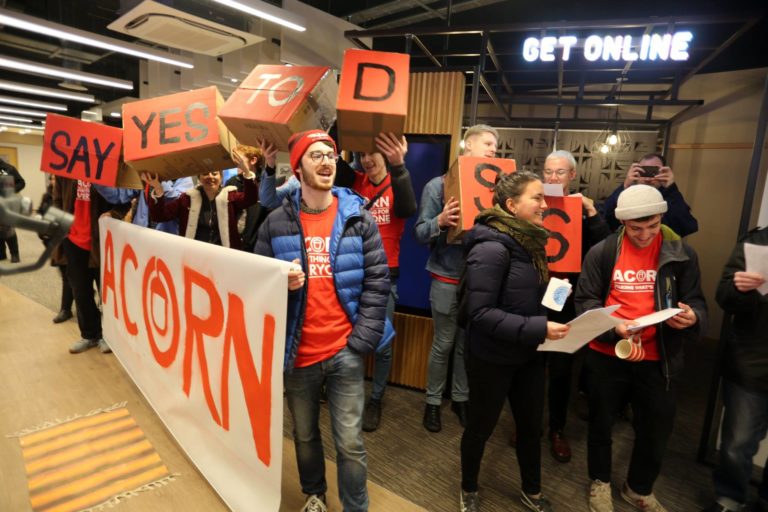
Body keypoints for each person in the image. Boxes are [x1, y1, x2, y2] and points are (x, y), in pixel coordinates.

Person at [254, 129, 394, 512]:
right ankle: (314, 494)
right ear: (297, 167)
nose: (326, 161)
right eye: (315, 156)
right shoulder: (275, 223)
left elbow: (378, 282)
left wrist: (361, 341)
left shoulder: (357, 218)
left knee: (350, 442)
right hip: (298, 354)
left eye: (330, 155)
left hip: (344, 351)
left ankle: (355, 507)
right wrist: (281, 283)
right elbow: (256, 283)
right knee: (304, 435)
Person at [575, 184, 707, 512]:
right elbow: (585, 301)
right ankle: (600, 481)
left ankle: (638, 488)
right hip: (608, 354)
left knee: (656, 427)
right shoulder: (602, 252)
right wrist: (612, 326)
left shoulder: (682, 253)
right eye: (636, 228)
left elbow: (695, 302)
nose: (645, 235)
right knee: (602, 422)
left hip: (658, 357)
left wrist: (692, 317)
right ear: (622, 223)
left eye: (652, 226)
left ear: (661, 217)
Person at [459, 171, 569, 512]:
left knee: (530, 426)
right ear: (511, 204)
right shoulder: (491, 247)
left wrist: (554, 297)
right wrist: (539, 327)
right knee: (481, 428)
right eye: (536, 197)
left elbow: (523, 299)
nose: (544, 204)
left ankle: (531, 491)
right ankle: (468, 489)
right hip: (491, 358)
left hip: (529, 356)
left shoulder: (531, 242)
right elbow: (478, 314)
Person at [414, 124, 499, 433]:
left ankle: (460, 399)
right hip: (446, 278)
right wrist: (439, 221)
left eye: (495, 146)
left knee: (467, 345)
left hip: (479, 282)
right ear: (468, 147)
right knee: (444, 343)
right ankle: (433, 402)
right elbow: (420, 233)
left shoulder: (496, 189)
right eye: (487, 144)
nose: (493, 150)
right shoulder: (438, 186)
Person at [540, 150, 611, 463]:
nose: (553, 178)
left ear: (571, 176)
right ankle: (526, 423)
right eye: (548, 172)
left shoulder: (584, 211)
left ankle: (557, 428)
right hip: (532, 295)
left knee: (560, 370)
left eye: (559, 173)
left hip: (566, 299)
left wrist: (592, 213)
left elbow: (605, 249)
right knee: (528, 366)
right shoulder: (533, 203)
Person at [703, 226, 768, 512]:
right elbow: (724, 295)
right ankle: (729, 499)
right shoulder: (758, 241)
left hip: (751, 360)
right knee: (737, 443)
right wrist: (742, 289)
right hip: (753, 362)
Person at [52, 177, 132, 354]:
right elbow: (57, 198)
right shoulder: (65, 170)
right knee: (80, 291)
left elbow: (124, 201)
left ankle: (108, 335)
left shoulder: (106, 169)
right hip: (73, 241)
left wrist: (113, 214)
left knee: (107, 292)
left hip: (101, 239)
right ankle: (89, 334)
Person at [145, 148, 260, 250]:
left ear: (221, 178)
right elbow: (159, 216)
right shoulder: (187, 199)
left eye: (215, 174)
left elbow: (251, 199)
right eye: (205, 174)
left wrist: (246, 171)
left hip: (225, 258)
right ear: (199, 178)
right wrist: (158, 189)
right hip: (193, 257)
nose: (210, 177)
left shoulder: (230, 197)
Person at [602, 152, 698, 237]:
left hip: (660, 252)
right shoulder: (628, 194)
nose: (647, 179)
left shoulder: (669, 196)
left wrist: (671, 189)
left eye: (653, 172)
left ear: (663, 172)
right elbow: (605, 217)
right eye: (644, 172)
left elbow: (688, 227)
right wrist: (625, 186)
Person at [225, 144, 274, 251]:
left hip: (258, 245)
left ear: (253, 160)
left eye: (238, 159)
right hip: (234, 246)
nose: (236, 163)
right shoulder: (231, 182)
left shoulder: (266, 184)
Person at [39, 174, 74, 323]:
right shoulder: (47, 198)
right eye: (51, 178)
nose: (53, 181)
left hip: (71, 237)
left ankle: (69, 307)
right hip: (57, 242)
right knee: (66, 276)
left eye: (55, 178)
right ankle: (65, 309)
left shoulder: (69, 192)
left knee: (74, 276)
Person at [0, 158, 26, 263]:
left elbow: (22, 182)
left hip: (6, 202)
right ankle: (1, 253)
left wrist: (11, 190)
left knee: (8, 228)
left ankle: (15, 253)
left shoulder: (9, 168)